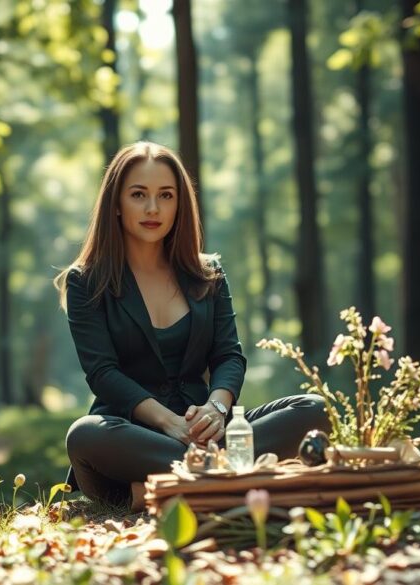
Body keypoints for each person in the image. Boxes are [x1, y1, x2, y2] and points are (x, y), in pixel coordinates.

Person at [53, 141, 329, 506]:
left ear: (180, 203)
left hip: (208, 431)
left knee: (315, 408)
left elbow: (229, 355)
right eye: (139, 194)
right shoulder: (86, 281)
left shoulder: (207, 273)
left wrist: (216, 410)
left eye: (166, 195)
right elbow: (103, 373)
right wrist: (170, 423)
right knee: (84, 435)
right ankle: (234, 475)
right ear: (116, 204)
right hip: (133, 437)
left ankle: (174, 487)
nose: (153, 208)